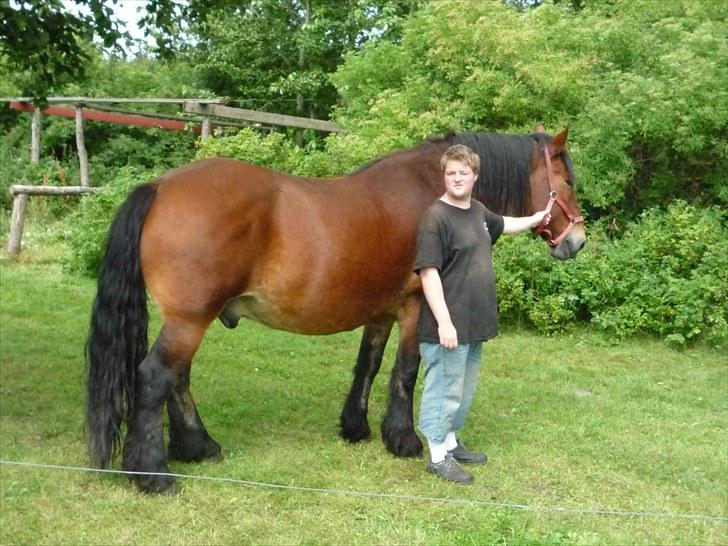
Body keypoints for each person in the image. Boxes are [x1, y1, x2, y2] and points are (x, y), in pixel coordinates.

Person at [414, 144, 550, 484]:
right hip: (449, 324)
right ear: (444, 177)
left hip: (474, 323)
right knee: (444, 388)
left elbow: (502, 223)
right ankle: (436, 456)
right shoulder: (436, 217)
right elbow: (428, 272)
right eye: (451, 173)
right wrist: (444, 322)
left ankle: (451, 442)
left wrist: (536, 219)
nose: (457, 178)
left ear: (475, 176)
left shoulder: (476, 211)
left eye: (463, 172)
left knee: (462, 389)